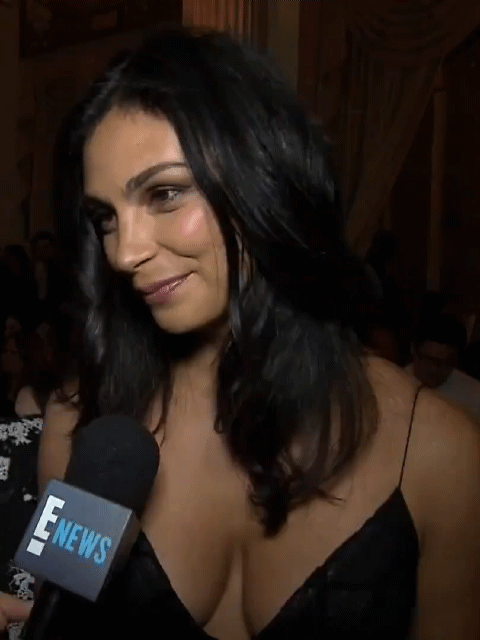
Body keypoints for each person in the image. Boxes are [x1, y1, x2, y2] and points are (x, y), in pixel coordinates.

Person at [4, 28, 479, 640]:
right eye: (105, 218)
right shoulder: (86, 432)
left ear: (264, 180)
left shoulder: (440, 454)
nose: (124, 252)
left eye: (165, 193)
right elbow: (62, 617)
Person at [408, 313, 480, 423]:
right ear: (413, 350)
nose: (434, 369)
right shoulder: (393, 384)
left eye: (445, 363)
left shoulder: (474, 396)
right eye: (428, 360)